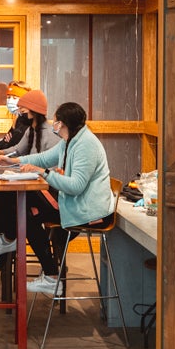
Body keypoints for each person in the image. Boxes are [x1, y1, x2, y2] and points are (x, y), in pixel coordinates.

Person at [15, 101, 116, 295]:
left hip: (88, 211)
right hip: (74, 204)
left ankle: (51, 275)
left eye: (56, 120)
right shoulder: (70, 140)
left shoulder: (86, 145)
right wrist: (15, 161)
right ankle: (48, 271)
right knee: (25, 213)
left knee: (27, 216)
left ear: (61, 123)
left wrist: (43, 173)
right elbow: (44, 158)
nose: (53, 123)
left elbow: (76, 186)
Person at [0, 88, 56, 257]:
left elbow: (42, 162)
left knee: (8, 197)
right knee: (1, 191)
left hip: (48, 190)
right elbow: (18, 150)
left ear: (35, 110)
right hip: (35, 184)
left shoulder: (50, 134)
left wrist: (15, 162)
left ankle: (3, 235)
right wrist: (0, 154)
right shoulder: (31, 129)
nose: (20, 112)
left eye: (23, 109)